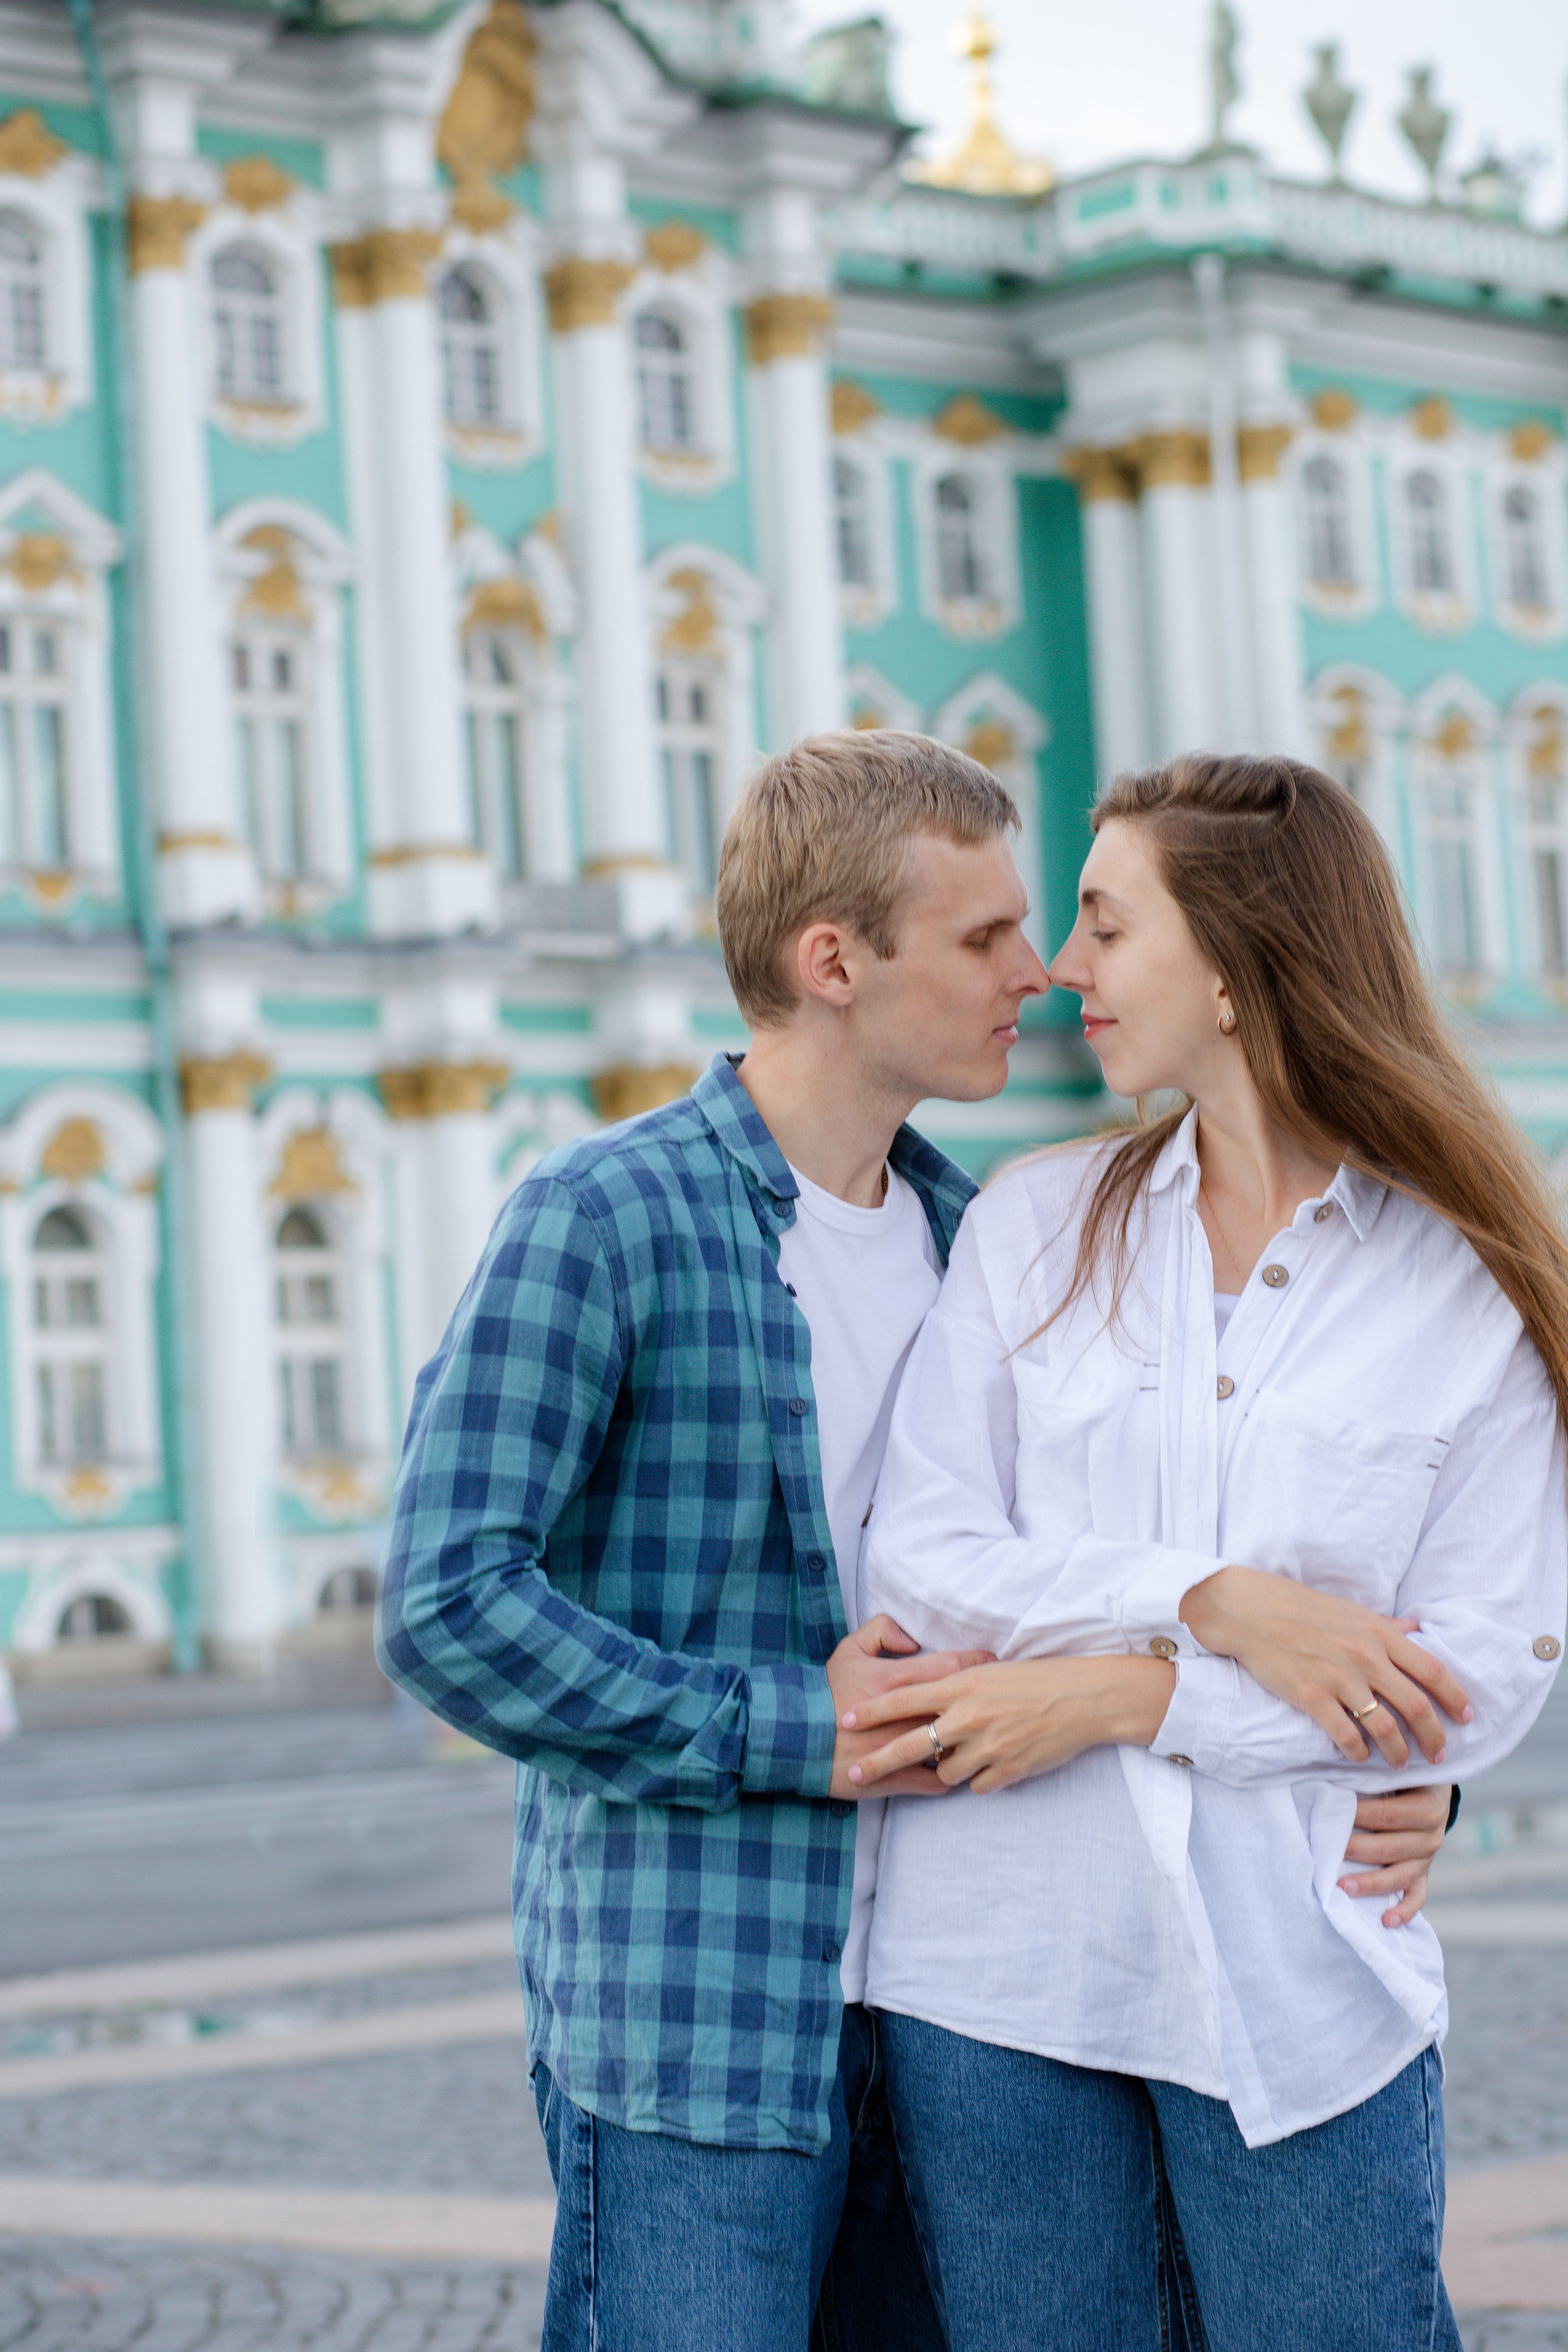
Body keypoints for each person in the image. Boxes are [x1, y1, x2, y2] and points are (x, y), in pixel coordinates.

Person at [377, 733, 1453, 2350]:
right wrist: (783, 1730)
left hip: (968, 2012)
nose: (1036, 972)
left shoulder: (992, 1236)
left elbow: (1170, 1569)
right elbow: (445, 1604)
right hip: (703, 2016)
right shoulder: (601, 1217)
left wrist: (1379, 1741)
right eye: (981, 938)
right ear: (833, 963)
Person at [847, 752, 1567, 2352]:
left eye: (1106, 926)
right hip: (998, 1975)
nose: (1061, 972)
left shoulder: (1466, 1285)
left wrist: (1124, 1699)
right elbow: (930, 1553)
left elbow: (1467, 1679)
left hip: (1303, 1978)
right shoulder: (1035, 1224)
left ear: (1237, 967)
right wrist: (1214, 1609)